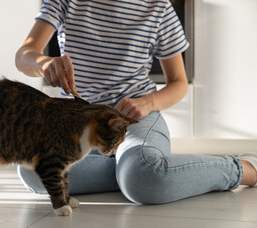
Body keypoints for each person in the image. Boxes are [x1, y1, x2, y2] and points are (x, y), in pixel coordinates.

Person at [14, 0, 257, 204]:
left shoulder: (158, 7)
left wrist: (147, 103)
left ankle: (244, 168)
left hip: (134, 119)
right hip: (79, 124)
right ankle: (136, 169)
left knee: (139, 177)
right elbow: (24, 55)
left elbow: (178, 82)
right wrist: (44, 64)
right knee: (31, 170)